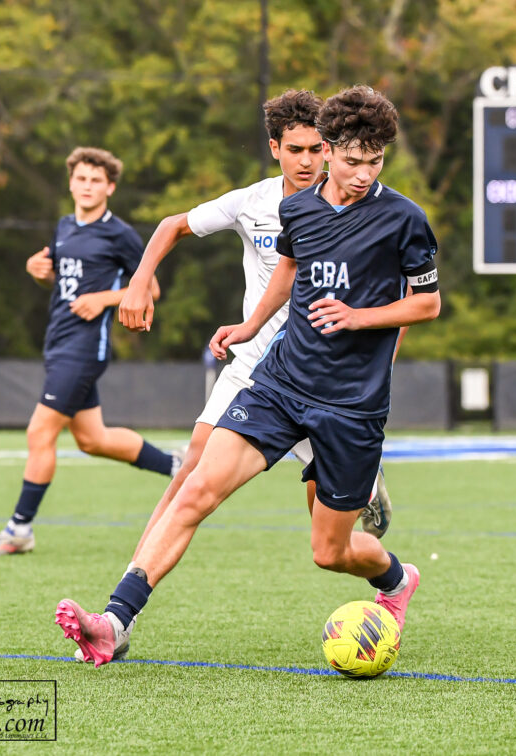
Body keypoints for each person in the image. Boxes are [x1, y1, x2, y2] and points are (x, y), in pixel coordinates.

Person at [55, 86, 441, 667]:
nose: (363, 174)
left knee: (329, 552)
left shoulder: (404, 218)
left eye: (375, 161)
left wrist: (360, 318)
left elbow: (428, 304)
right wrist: (248, 323)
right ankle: (115, 620)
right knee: (194, 491)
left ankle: (396, 579)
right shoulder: (297, 208)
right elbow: (287, 272)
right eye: (353, 160)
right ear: (333, 150)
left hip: (351, 407)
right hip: (279, 384)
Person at [117, 89, 394, 559]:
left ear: (329, 147)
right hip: (255, 365)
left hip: (324, 375)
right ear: (274, 149)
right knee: (193, 469)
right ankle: (125, 593)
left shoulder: (357, 203)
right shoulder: (253, 202)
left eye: (315, 149)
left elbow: (399, 300)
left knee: (329, 544)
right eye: (294, 150)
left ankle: (373, 526)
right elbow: (172, 225)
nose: (306, 161)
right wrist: (139, 282)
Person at [0, 147, 179, 556]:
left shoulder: (119, 233)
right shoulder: (65, 226)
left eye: (96, 180)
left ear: (110, 187)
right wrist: (40, 272)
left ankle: (19, 530)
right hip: (58, 341)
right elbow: (60, 281)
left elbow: (151, 289)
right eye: (81, 179)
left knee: (40, 431)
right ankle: (177, 466)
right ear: (71, 183)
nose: (87, 186)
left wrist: (103, 299)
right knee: (92, 439)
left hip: (86, 347)